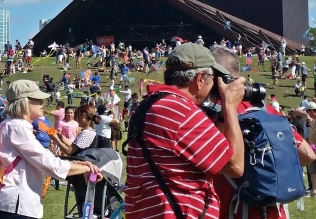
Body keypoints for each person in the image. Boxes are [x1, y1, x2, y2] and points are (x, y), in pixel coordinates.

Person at [125, 43, 246, 219]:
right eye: (213, 77)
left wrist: (220, 116)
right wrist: (230, 105)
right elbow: (235, 166)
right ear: (200, 78)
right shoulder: (181, 111)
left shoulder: (146, 106)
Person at [210, 46, 316, 218]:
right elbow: (308, 155)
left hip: (233, 209)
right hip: (274, 210)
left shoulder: (217, 115)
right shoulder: (264, 108)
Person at [0, 80, 102, 219]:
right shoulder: (17, 127)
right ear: (24, 103)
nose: (43, 103)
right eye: (38, 99)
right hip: (15, 206)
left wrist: (81, 165)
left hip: (8, 204)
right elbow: (50, 165)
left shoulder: (9, 124)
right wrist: (87, 168)